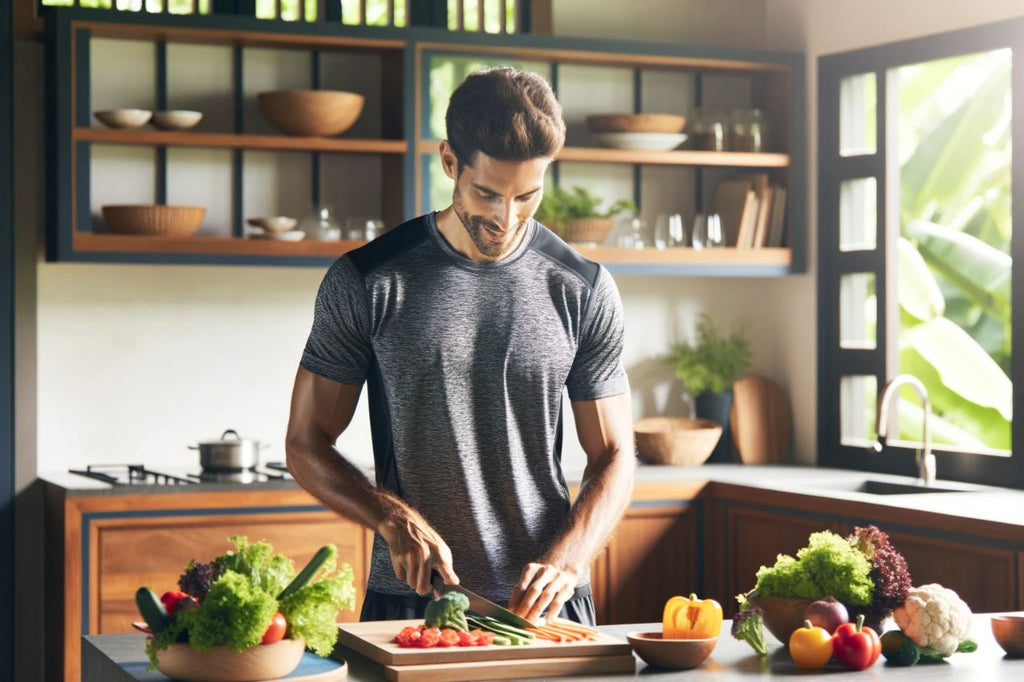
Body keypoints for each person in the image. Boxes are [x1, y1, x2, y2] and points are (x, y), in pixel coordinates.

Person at [285, 66, 635, 626]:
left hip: (549, 610)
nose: (506, 219)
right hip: (411, 608)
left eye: (528, 196)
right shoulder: (369, 280)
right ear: (450, 162)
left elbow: (615, 455)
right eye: (488, 194)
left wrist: (568, 561)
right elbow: (305, 443)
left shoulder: (582, 287)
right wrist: (391, 518)